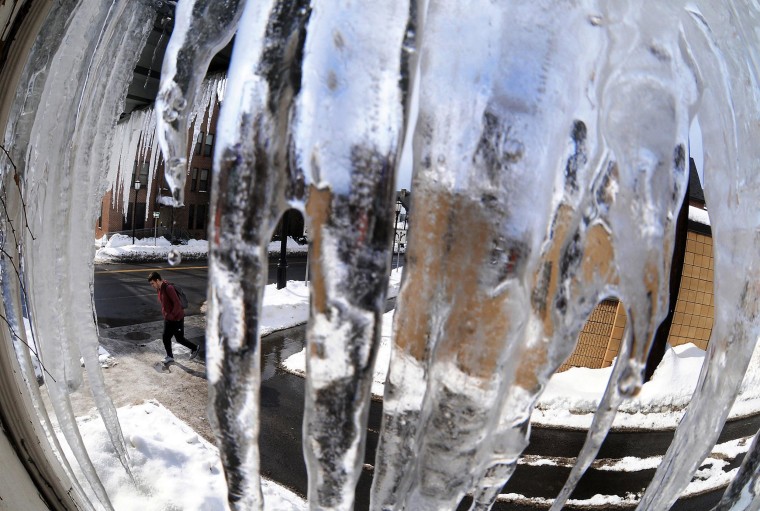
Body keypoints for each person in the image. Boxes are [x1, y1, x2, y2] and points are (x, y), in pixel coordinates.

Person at [147, 271, 200, 363]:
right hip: (169, 318)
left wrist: (171, 315)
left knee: (179, 338)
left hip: (176, 318)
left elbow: (177, 304)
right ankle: (170, 356)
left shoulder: (169, 288)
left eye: (152, 283)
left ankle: (194, 348)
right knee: (166, 337)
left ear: (158, 280)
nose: (152, 285)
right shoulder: (160, 289)